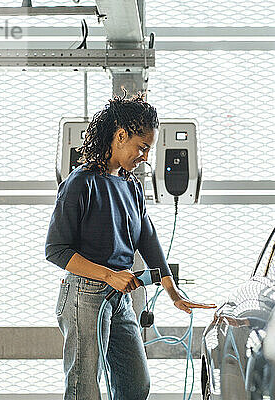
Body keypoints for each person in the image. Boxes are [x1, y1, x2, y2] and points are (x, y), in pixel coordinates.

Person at [45, 93, 215, 400]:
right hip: (85, 294)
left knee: (136, 385)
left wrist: (172, 291)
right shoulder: (80, 183)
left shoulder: (131, 185)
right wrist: (109, 275)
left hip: (118, 297)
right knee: (84, 388)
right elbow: (56, 250)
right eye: (143, 147)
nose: (146, 156)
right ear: (121, 136)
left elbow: (147, 237)